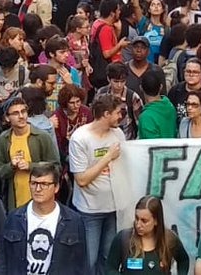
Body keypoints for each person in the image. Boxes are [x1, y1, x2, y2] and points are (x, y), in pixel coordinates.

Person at [68, 92, 127, 274]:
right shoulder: (80, 138)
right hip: (89, 210)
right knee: (90, 259)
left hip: (113, 208)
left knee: (109, 257)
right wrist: (108, 157)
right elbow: (82, 179)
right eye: (118, 113)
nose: (121, 116)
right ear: (106, 114)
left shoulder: (118, 133)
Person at [0, 162, 90, 275]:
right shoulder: (14, 218)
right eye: (34, 183)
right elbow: (3, 261)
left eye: (44, 184)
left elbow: (81, 265)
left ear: (56, 187)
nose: (38, 189)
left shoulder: (73, 220)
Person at [0, 99, 60, 211]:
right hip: (15, 203)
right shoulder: (4, 138)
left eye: (23, 111)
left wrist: (31, 166)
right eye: (15, 113)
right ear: (7, 118)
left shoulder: (41, 136)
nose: (21, 116)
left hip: (41, 201)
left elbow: (56, 168)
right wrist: (11, 166)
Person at [105, 195, 190, 275]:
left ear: (156, 220)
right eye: (137, 218)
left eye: (144, 221)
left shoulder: (169, 239)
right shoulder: (123, 238)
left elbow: (184, 260)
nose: (138, 225)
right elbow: (110, 268)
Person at [137, 71, 177, 139]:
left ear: (141, 88)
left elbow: (151, 145)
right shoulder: (170, 106)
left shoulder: (146, 117)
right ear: (161, 87)